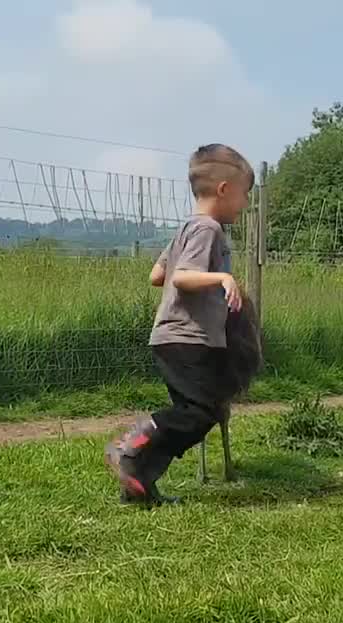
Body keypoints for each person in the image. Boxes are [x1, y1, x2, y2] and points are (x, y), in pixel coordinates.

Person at [105, 144, 255, 506]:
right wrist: (222, 278)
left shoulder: (185, 230)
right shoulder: (208, 230)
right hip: (189, 338)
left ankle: (139, 483)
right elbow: (181, 278)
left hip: (171, 337)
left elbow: (157, 274)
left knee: (190, 413)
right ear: (223, 190)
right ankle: (130, 445)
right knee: (201, 413)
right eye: (244, 195)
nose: (246, 204)